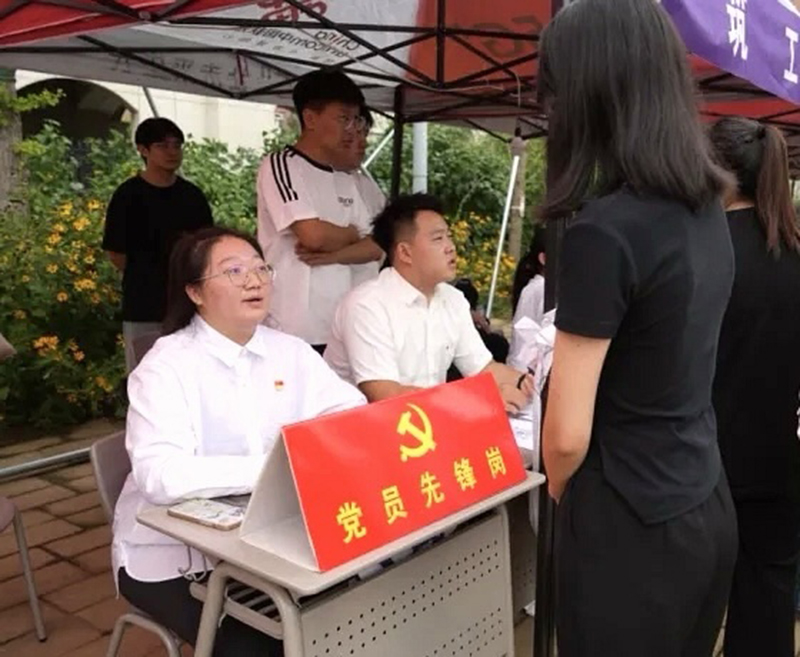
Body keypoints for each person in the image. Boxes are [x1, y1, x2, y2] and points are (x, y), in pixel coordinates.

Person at [539, 1, 738, 656]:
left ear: (590, 93)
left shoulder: (604, 230)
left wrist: (574, 498)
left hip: (629, 525)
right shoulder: (705, 211)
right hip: (704, 498)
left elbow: (565, 436)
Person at [112, 226, 365, 657]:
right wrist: (278, 467)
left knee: (353, 610)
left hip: (273, 537)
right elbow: (159, 475)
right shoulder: (166, 367)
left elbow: (350, 414)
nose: (253, 281)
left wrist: (306, 455)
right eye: (233, 271)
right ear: (195, 292)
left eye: (260, 268)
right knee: (264, 647)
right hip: (176, 557)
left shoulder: (290, 351)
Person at [709, 117, 800, 657]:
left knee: (684, 615)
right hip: (776, 462)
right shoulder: (794, 253)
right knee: (766, 613)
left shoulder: (699, 251)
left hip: (698, 466)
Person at [323, 193, 533, 412]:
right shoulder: (366, 306)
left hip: (427, 421)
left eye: (449, 237)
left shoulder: (453, 299)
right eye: (438, 239)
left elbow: (483, 368)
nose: (450, 247)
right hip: (362, 426)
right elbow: (385, 395)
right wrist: (480, 400)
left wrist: (526, 383)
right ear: (405, 252)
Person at [256, 70, 383, 354]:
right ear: (310, 118)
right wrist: (352, 234)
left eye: (356, 120)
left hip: (344, 325)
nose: (351, 129)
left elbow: (376, 246)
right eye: (343, 118)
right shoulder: (282, 164)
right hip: (294, 327)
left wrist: (336, 247)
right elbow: (312, 235)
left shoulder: (346, 177)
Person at [103, 117, 214, 372]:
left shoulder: (192, 196)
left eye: (177, 145)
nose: (172, 152)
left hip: (189, 304)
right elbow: (116, 253)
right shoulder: (127, 196)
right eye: (163, 146)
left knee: (193, 373)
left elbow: (207, 246)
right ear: (143, 150)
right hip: (143, 305)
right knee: (146, 375)